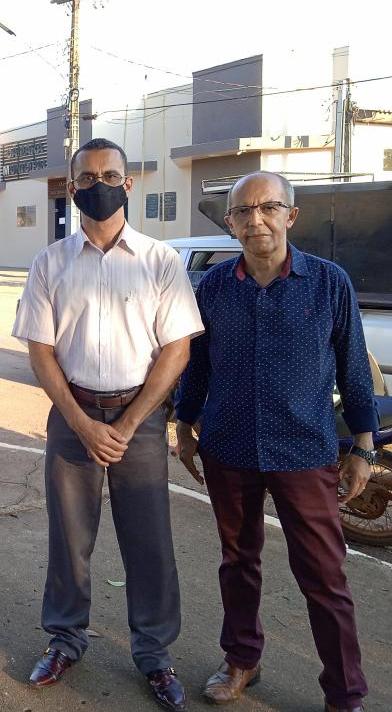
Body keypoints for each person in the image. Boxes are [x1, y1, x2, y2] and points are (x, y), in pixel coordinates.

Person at [12, 137, 203, 711]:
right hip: (72, 418)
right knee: (70, 540)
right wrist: (82, 422)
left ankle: (154, 655)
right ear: (72, 189)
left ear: (130, 183)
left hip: (138, 420)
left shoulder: (160, 262)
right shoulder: (50, 263)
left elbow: (176, 351)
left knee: (149, 543)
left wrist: (128, 421)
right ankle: (65, 639)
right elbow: (41, 351)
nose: (99, 185)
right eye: (87, 178)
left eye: (110, 174)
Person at [175, 171, 376, 712]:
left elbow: (355, 369)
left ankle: (344, 692)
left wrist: (362, 446)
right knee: (237, 561)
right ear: (230, 223)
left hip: (305, 452)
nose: (255, 219)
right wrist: (184, 426)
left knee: (324, 576)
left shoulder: (328, 282)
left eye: (268, 207)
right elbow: (197, 367)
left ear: (291, 215)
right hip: (229, 448)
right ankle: (242, 659)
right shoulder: (214, 287)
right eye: (243, 211)